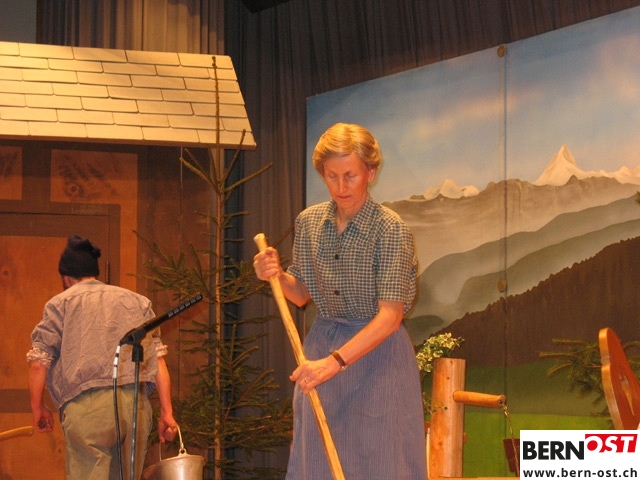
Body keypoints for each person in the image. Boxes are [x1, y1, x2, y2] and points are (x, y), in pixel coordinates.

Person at [253, 123, 426, 479]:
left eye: (350, 176)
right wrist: (276, 275)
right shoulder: (309, 222)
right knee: (318, 460)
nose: (341, 187)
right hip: (322, 347)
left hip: (378, 358)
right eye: (332, 176)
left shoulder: (390, 229)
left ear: (371, 173)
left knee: (380, 461)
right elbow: (301, 294)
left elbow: (390, 317)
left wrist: (333, 363)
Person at [27, 234, 179, 480]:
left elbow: (38, 362)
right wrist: (166, 412)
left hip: (87, 409)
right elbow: (157, 360)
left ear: (66, 278)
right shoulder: (137, 302)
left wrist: (38, 407)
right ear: (95, 272)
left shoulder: (60, 304)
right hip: (134, 408)